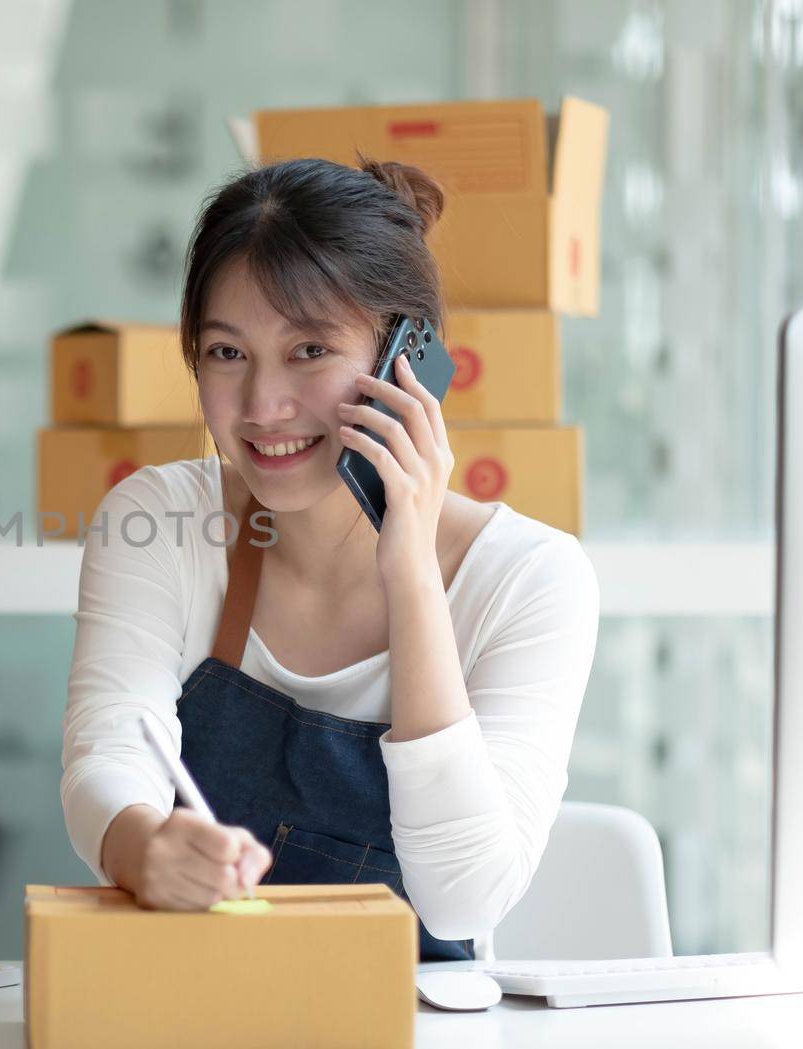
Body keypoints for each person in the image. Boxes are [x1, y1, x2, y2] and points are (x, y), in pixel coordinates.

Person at [58, 155, 600, 960]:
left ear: (407, 361)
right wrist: (144, 846)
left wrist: (410, 569)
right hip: (189, 1010)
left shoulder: (531, 579)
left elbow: (461, 898)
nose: (262, 407)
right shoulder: (162, 519)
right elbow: (107, 756)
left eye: (309, 350)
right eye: (227, 353)